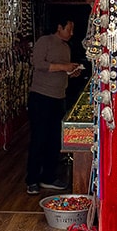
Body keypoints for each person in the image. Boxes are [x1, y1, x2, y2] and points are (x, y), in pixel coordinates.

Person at [25, 14, 82, 195]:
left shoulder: (66, 47)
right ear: (59, 27)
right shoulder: (45, 41)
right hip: (41, 97)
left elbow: (60, 70)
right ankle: (32, 179)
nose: (71, 33)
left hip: (59, 97)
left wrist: (71, 72)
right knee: (39, 138)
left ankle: (48, 176)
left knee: (54, 140)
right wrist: (64, 67)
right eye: (69, 29)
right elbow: (38, 63)